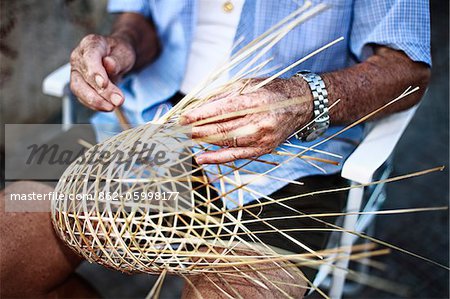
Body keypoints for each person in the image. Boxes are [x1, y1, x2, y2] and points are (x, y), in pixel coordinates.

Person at [1, 0, 430, 298]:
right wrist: (122, 47)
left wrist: (303, 98)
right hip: (141, 116)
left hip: (291, 151)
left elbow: (406, 69)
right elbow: (142, 19)